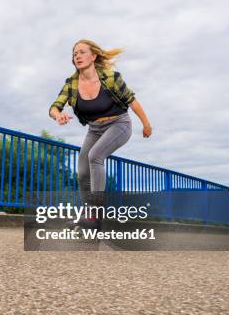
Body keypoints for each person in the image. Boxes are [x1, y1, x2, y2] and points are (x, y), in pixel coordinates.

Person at [49, 39, 152, 230]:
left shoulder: (110, 77)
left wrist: (146, 124)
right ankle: (91, 219)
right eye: (74, 54)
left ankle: (95, 213)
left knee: (95, 156)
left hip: (119, 124)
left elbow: (132, 101)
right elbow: (54, 107)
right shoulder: (71, 84)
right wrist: (58, 116)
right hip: (94, 129)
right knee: (82, 172)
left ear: (93, 56)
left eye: (82, 52)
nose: (77, 56)